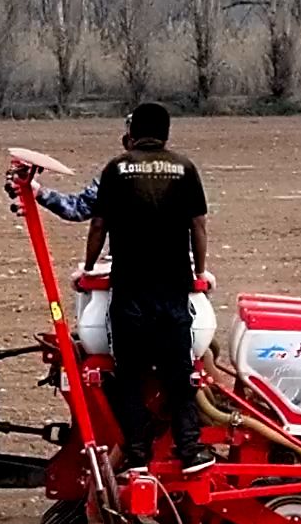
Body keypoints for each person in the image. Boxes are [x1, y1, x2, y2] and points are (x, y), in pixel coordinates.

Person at [82, 101, 210, 471]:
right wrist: (197, 272)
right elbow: (198, 226)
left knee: (129, 375)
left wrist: (88, 269)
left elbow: (98, 225)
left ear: (133, 131)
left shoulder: (116, 169)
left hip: (131, 290)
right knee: (178, 372)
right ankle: (189, 450)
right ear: (166, 132)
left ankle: (136, 452)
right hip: (172, 289)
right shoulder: (185, 169)